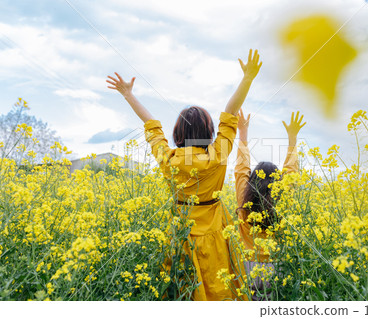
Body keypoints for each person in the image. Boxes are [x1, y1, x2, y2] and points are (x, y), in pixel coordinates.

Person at [106, 49, 262, 300]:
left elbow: (152, 126)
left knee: (185, 289)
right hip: (215, 231)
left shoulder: (169, 159)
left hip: (181, 233)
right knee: (220, 285)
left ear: (178, 132)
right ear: (209, 131)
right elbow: (230, 113)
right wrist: (247, 79)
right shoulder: (218, 154)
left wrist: (128, 94)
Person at [235, 109, 305, 300]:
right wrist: (292, 139)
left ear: (251, 182)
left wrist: (243, 133)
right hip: (276, 269)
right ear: (278, 181)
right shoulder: (282, 198)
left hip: (245, 266)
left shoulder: (243, 197)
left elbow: (241, 168)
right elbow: (291, 173)